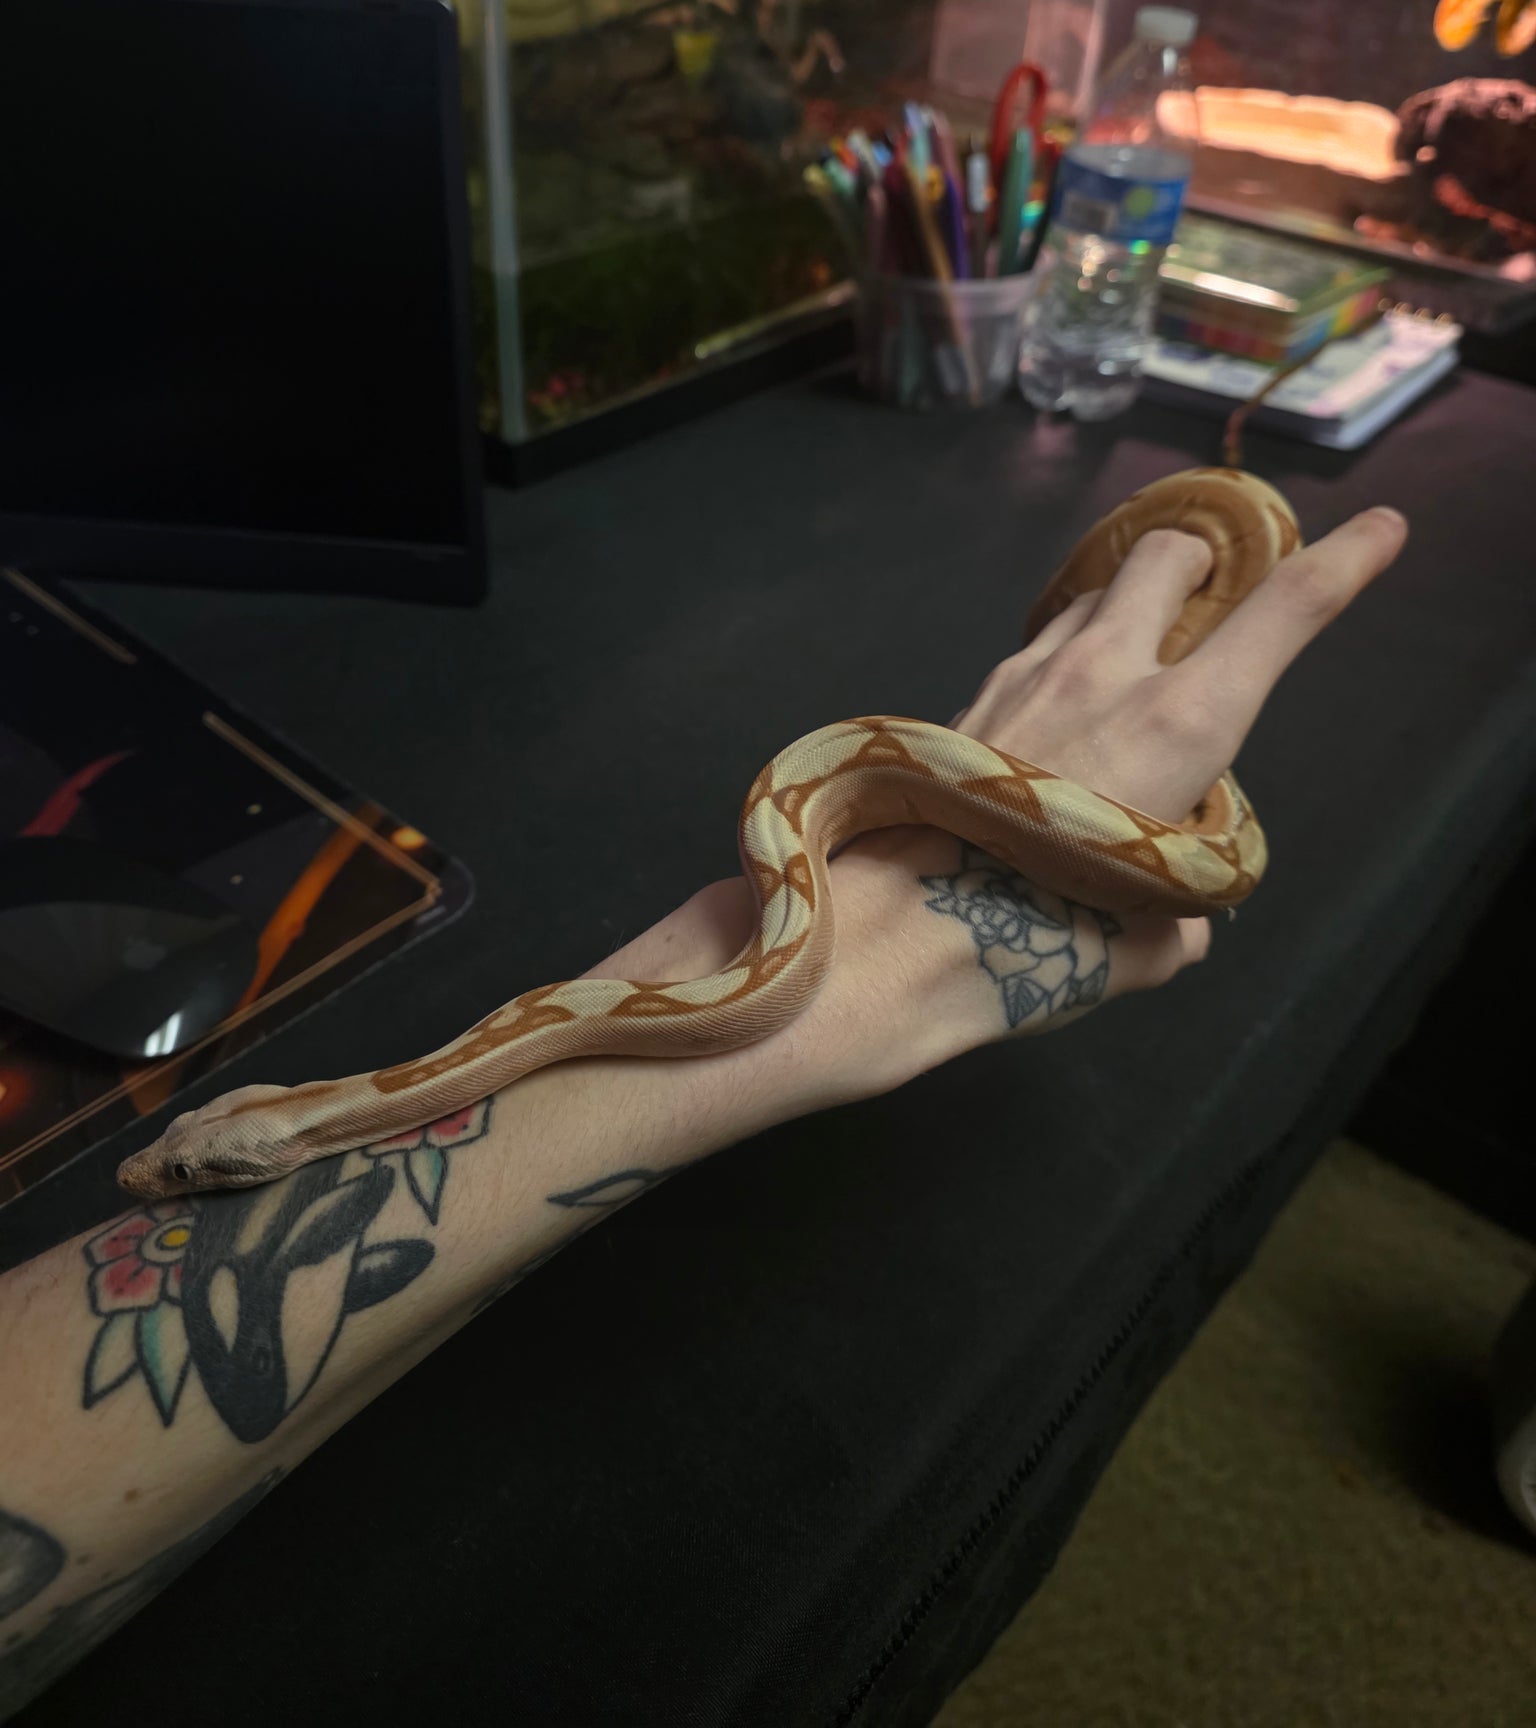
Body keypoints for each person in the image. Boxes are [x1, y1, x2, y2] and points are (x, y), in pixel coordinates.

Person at [0, 507, 1407, 1717]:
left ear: (275, 1120)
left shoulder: (353, 1098)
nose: (170, 1178)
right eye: (198, 1174)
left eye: (192, 1168)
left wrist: (969, 807)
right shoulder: (342, 1105)